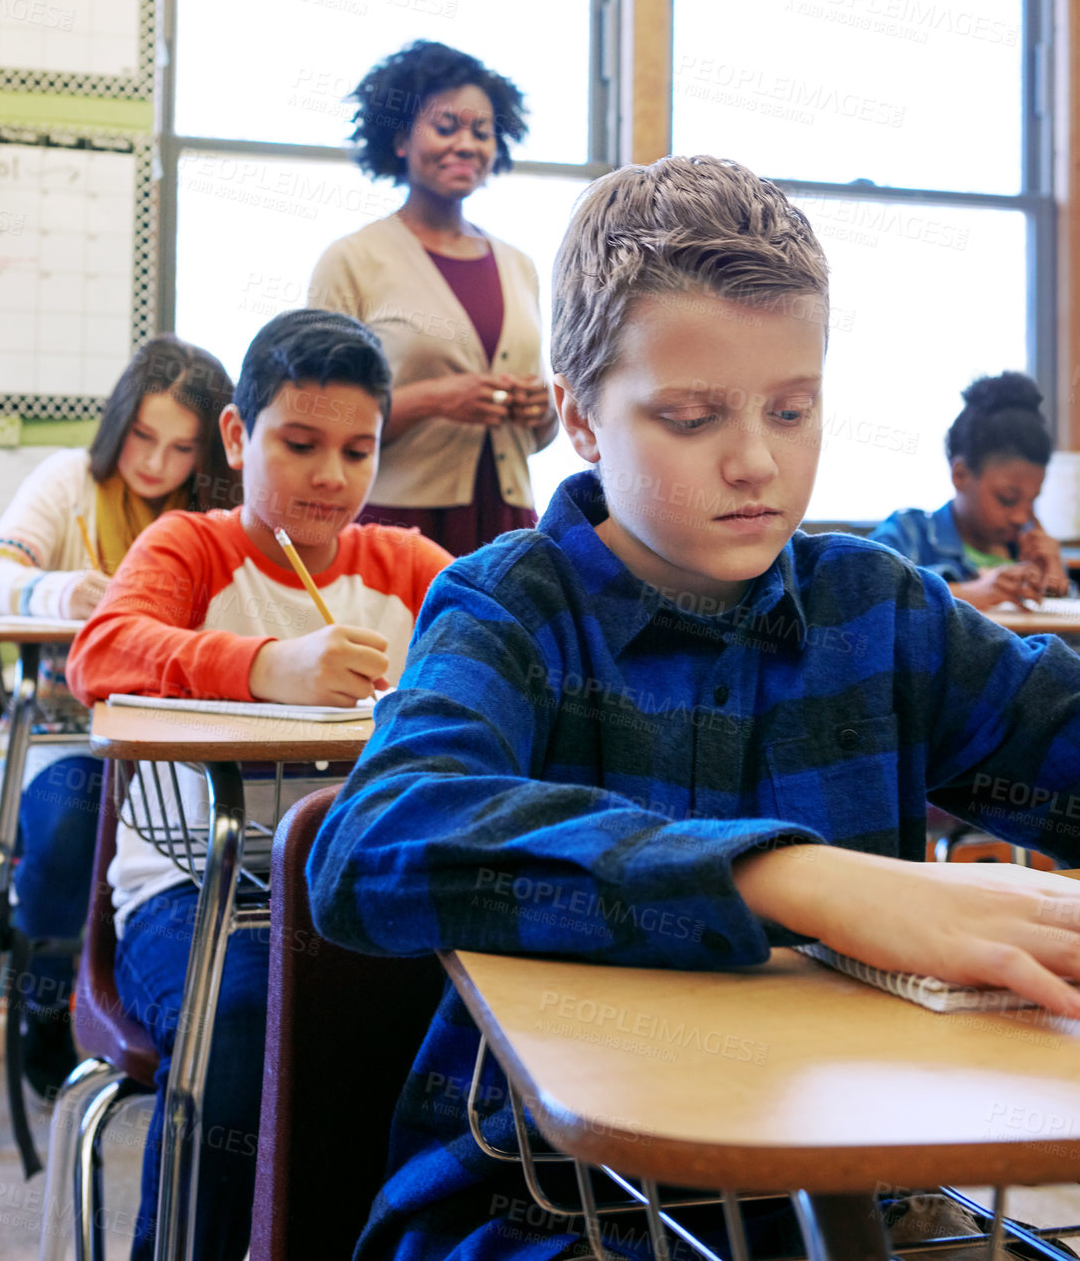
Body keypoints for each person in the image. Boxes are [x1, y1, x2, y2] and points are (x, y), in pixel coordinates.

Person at [308, 155, 1080, 1261]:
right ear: (577, 418)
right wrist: (793, 877)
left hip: (851, 1192)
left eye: (792, 407)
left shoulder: (880, 609)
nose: (755, 459)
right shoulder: (509, 607)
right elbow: (371, 844)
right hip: (546, 1203)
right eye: (687, 415)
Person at [67, 308, 451, 1261]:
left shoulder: (403, 566)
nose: (331, 475)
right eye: (300, 442)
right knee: (243, 1020)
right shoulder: (190, 549)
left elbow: (510, 651)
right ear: (237, 438)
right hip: (187, 896)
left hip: (346, 894)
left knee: (450, 1022)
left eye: (358, 450)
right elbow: (101, 652)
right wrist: (268, 664)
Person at [0, 334, 235, 1098]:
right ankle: (46, 999)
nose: (156, 463)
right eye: (144, 436)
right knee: (63, 832)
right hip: (71, 737)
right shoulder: (70, 480)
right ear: (118, 422)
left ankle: (186, 1014)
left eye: (182, 447)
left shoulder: (216, 510)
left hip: (179, 750)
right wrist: (59, 594)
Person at [308, 38, 557, 556]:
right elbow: (318, 416)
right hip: (395, 526)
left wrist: (543, 410)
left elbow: (539, 436)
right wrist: (434, 401)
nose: (466, 144)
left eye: (482, 132)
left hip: (507, 523)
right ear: (400, 139)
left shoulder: (519, 265)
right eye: (447, 127)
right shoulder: (353, 260)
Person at [869, 372, 1070, 611]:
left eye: (1032, 501)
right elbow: (867, 593)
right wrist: (968, 593)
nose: (1021, 517)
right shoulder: (910, 533)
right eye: (1008, 499)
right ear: (961, 475)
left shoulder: (1034, 555)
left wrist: (1057, 591)